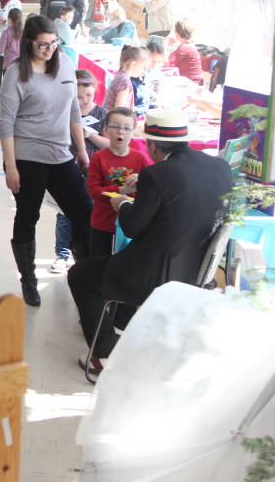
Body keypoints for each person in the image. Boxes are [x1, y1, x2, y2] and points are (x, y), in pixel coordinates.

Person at [68, 110, 231, 375]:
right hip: (195, 271)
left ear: (152, 145)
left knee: (80, 275)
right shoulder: (220, 167)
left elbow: (133, 227)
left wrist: (122, 205)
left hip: (154, 273)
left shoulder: (157, 175)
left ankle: (102, 355)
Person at [0, 15, 92, 307]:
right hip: (27, 156)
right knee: (27, 216)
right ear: (28, 42)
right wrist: (11, 166)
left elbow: (74, 108)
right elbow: (6, 123)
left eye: (54, 43)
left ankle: (86, 273)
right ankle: (28, 279)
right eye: (43, 45)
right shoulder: (16, 74)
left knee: (83, 212)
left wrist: (82, 149)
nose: (50, 49)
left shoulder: (64, 62)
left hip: (61, 153)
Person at [52, 70, 109, 273]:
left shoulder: (102, 114)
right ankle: (62, 253)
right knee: (64, 214)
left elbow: (108, 144)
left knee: (88, 212)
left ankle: (84, 253)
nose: (84, 101)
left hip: (93, 173)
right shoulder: (63, 112)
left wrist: (89, 136)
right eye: (78, 97)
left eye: (89, 96)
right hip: (67, 169)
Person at [85, 107, 150, 258]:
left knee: (125, 263)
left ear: (133, 131)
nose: (121, 132)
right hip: (102, 222)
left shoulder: (140, 158)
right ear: (106, 130)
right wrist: (121, 190)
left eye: (127, 128)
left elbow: (151, 188)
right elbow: (93, 191)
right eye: (115, 127)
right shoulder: (98, 158)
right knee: (99, 262)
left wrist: (140, 180)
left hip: (129, 224)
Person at [103, 46, 149, 112]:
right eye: (143, 67)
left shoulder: (120, 75)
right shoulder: (125, 82)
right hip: (114, 120)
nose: (144, 71)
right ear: (133, 64)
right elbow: (118, 110)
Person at [0, 7, 24, 94]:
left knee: (9, 87)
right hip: (22, 63)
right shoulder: (25, 32)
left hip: (9, 64)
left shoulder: (6, 32)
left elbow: (0, 49)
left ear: (9, 19)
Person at [168, 18, 205, 85]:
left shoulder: (184, 48)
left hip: (191, 84)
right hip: (195, 82)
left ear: (177, 34)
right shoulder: (190, 44)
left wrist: (166, 45)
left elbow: (166, 61)